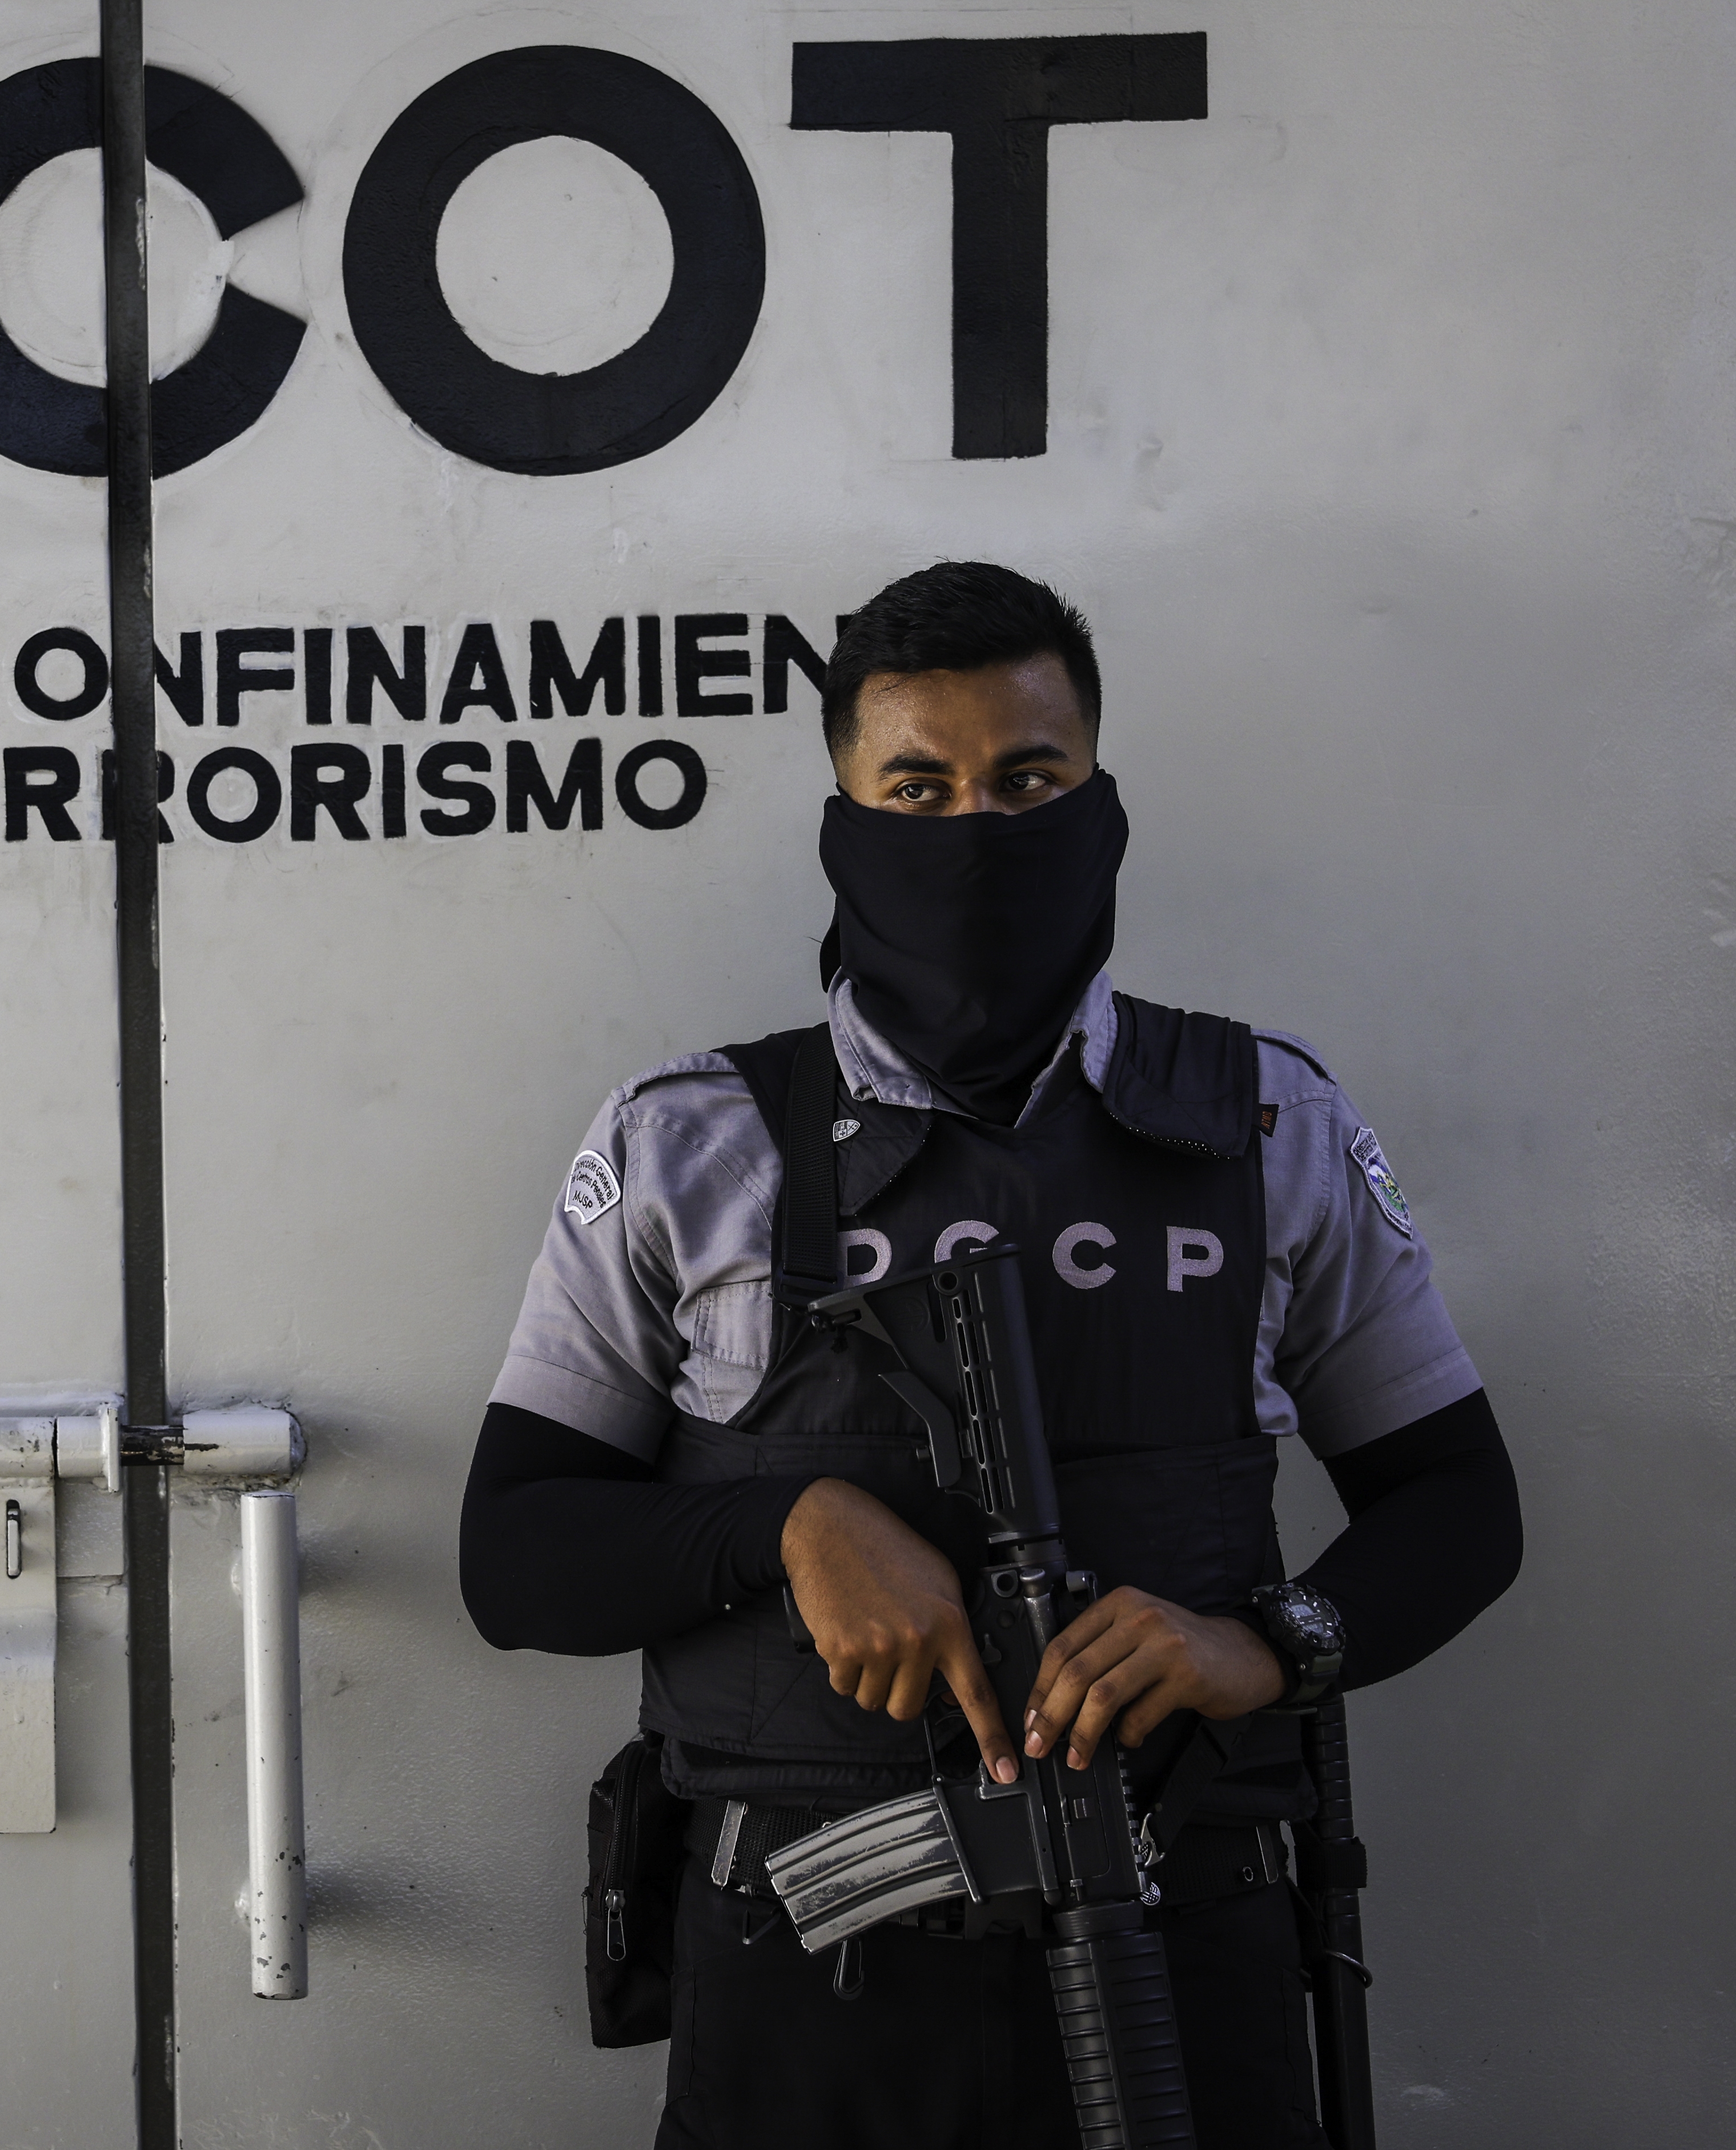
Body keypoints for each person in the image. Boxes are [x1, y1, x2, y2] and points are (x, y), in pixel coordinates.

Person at [457, 562, 1522, 2149]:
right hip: (809, 1984)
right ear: (843, 818)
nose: (977, 832)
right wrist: (788, 1528)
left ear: (1097, 798)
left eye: (1029, 780)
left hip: (1181, 1950)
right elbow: (515, 1551)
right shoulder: (693, 1140)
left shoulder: (1266, 1121)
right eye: (917, 788)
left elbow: (1455, 1501)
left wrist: (1269, 1641)